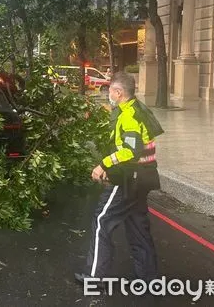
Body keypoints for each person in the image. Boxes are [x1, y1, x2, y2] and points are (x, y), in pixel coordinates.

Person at [75, 72, 163, 285]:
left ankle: (94, 277)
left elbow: (130, 151)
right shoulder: (136, 108)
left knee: (101, 221)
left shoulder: (129, 115)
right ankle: (147, 276)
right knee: (137, 225)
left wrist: (103, 164)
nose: (109, 95)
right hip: (143, 176)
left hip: (129, 178)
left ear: (119, 92)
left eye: (111, 91)